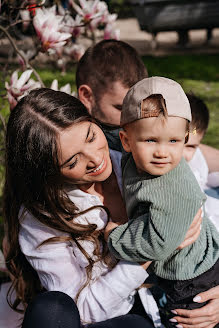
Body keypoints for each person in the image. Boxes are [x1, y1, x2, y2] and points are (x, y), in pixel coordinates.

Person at [1, 88, 203, 328]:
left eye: (90, 137)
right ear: (50, 172)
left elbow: (199, 215)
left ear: (91, 119)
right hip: (110, 317)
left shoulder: (136, 157)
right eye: (73, 160)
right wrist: (152, 246)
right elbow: (80, 308)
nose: (95, 159)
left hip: (173, 296)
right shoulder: (42, 215)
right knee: (51, 309)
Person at [106, 77, 219, 328]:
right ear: (127, 141)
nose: (162, 152)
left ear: (185, 138)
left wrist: (114, 236)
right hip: (180, 267)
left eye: (174, 141)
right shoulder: (133, 148)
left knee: (182, 321)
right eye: (150, 140)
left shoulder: (172, 189)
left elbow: (157, 242)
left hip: (191, 278)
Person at [76, 39, 219, 170]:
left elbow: (193, 144)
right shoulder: (89, 141)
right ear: (87, 96)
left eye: (139, 105)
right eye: (121, 107)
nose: (136, 116)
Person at [183, 93, 219, 231]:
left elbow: (202, 179)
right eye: (175, 142)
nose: (182, 154)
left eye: (191, 146)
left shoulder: (197, 159)